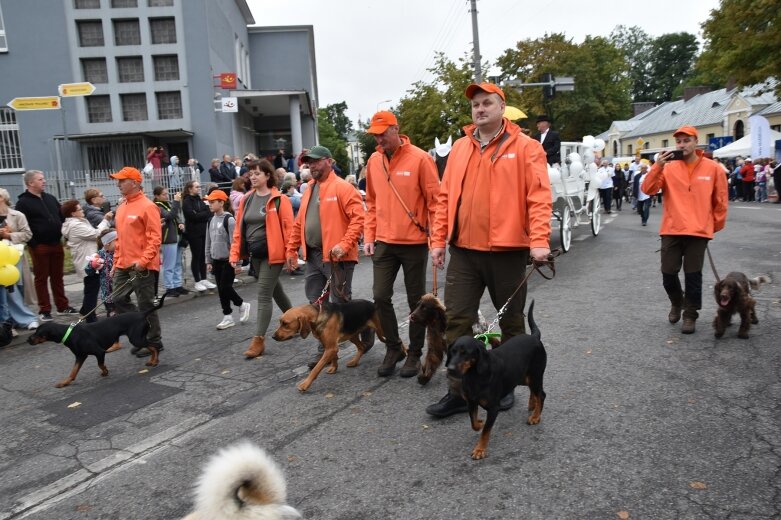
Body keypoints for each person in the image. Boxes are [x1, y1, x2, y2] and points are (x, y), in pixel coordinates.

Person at [426, 83, 552, 418]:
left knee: (511, 326)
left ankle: (505, 385)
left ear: (501, 107)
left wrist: (539, 240)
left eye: (487, 103)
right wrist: (438, 240)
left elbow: (539, 196)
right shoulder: (460, 148)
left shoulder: (526, 148)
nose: (480, 109)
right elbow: (444, 198)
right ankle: (459, 392)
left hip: (507, 251)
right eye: (475, 105)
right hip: (464, 252)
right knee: (456, 322)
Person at [363, 110, 440, 377]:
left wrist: (437, 239)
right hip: (384, 241)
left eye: (383, 134)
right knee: (380, 295)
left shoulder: (421, 158)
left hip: (414, 241)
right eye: (375, 135)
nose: (379, 139)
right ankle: (394, 347)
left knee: (415, 301)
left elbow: (435, 203)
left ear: (396, 130)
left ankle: (416, 353)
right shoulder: (374, 160)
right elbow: (371, 202)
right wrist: (369, 235)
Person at [641, 126, 728, 334]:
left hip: (698, 231)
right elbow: (648, 189)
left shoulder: (713, 168)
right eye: (678, 141)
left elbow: (721, 201)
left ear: (695, 142)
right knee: (668, 273)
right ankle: (677, 302)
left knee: (693, 276)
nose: (682, 145)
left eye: (686, 140)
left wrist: (710, 227)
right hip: (672, 228)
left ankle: (690, 314)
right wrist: (657, 166)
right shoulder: (669, 167)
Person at [230, 159, 294, 358]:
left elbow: (290, 229)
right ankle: (298, 321)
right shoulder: (247, 199)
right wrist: (234, 254)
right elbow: (239, 230)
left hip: (272, 255)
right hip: (254, 255)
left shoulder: (279, 199)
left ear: (268, 175)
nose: (253, 177)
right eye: (251, 173)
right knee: (276, 291)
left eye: (257, 173)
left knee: (264, 295)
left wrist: (291, 253)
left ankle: (258, 340)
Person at [285, 146, 365, 305]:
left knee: (340, 307)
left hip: (337, 258)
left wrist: (344, 245)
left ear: (329, 162)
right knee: (315, 305)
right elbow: (300, 222)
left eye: (316, 161)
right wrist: (291, 249)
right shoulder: (309, 188)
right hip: (313, 256)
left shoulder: (343, 187)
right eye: (309, 163)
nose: (312, 166)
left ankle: (347, 331)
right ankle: (321, 331)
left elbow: (359, 219)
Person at [109, 167, 164, 357]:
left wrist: (144, 260)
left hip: (142, 265)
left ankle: (154, 341)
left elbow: (155, 239)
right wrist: (115, 262)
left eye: (122, 180)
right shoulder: (122, 206)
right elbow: (120, 239)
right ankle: (139, 327)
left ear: (135, 182)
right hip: (124, 264)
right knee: (117, 298)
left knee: (146, 304)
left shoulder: (148, 206)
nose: (118, 184)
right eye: (118, 180)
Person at [15, 170, 77, 321]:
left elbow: (61, 216)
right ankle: (45, 309)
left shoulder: (50, 198)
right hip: (39, 246)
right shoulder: (23, 202)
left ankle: (62, 306)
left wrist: (63, 235)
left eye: (43, 179)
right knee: (41, 278)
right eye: (40, 179)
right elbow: (23, 225)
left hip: (56, 243)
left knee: (58, 276)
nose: (44, 181)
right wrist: (34, 244)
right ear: (31, 183)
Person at [204, 190, 251, 330]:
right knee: (221, 289)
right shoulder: (210, 220)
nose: (210, 205)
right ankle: (227, 316)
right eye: (209, 202)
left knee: (225, 286)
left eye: (213, 202)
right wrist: (208, 260)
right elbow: (208, 241)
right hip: (216, 260)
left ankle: (242, 304)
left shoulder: (229, 220)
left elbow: (235, 241)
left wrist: (237, 262)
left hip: (228, 260)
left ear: (221, 202)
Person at [61, 199, 112, 322]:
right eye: (79, 209)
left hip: (87, 259)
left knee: (91, 287)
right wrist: (105, 220)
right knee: (92, 289)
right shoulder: (75, 225)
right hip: (88, 261)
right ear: (73, 213)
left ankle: (85, 310)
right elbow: (95, 234)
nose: (82, 210)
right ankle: (90, 317)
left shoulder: (76, 222)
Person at [0, 188, 39, 330]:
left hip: (15, 255)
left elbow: (27, 234)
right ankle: (17, 320)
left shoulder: (17, 215)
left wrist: (9, 235)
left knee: (18, 287)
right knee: (7, 291)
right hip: (1, 259)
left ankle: (19, 319)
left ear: (2, 198)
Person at [181, 180, 216, 292]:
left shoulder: (199, 200)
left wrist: (200, 214)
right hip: (193, 232)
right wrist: (203, 214)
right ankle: (197, 280)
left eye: (199, 186)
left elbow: (209, 212)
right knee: (196, 256)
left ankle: (204, 278)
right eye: (196, 187)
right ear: (190, 189)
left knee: (203, 256)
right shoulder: (186, 201)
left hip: (203, 231)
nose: (199, 188)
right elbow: (192, 216)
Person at [153, 186, 189, 298]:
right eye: (164, 194)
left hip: (175, 236)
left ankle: (177, 284)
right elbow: (169, 215)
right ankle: (169, 287)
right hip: (168, 239)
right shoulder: (157, 206)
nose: (167, 196)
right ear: (157, 196)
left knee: (177, 263)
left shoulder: (167, 203)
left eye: (167, 193)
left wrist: (180, 223)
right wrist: (176, 201)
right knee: (169, 264)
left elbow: (176, 216)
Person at [85, 230, 117, 317]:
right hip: (107, 294)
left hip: (120, 291)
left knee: (122, 313)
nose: (120, 243)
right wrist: (93, 265)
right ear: (107, 243)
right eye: (116, 240)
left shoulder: (120, 253)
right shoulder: (98, 255)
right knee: (112, 315)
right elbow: (88, 271)